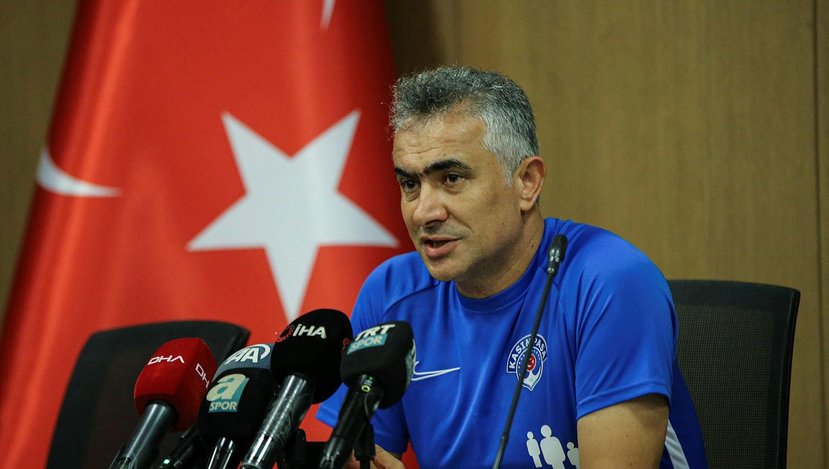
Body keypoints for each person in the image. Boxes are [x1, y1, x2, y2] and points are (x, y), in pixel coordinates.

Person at [317, 65, 708, 469]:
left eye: (451, 178)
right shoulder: (391, 296)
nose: (424, 212)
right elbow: (356, 456)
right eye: (410, 185)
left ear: (527, 182)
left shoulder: (610, 282)